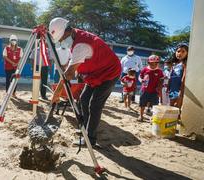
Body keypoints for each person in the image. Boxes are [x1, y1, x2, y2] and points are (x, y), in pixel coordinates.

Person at [49, 17, 121, 146]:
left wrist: (57, 93)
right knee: (83, 99)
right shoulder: (76, 35)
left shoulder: (81, 45)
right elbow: (76, 66)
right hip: (95, 73)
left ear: (67, 31)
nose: (61, 42)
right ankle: (87, 130)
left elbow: (70, 73)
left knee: (94, 104)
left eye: (60, 39)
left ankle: (90, 139)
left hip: (109, 73)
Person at [138, 55, 164, 121]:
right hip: (144, 90)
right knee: (142, 104)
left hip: (154, 91)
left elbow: (161, 80)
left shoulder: (159, 71)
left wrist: (159, 90)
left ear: (157, 63)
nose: (153, 64)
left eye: (155, 63)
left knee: (155, 105)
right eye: (151, 63)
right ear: (148, 63)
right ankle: (141, 116)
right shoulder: (145, 69)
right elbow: (140, 76)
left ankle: (153, 118)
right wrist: (141, 80)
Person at [168, 44, 188, 108]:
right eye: (178, 51)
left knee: (177, 108)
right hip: (172, 89)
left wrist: (181, 91)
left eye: (183, 51)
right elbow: (171, 77)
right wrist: (168, 87)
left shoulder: (185, 64)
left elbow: (184, 77)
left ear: (187, 53)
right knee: (171, 106)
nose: (180, 53)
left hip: (179, 89)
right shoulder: (175, 64)